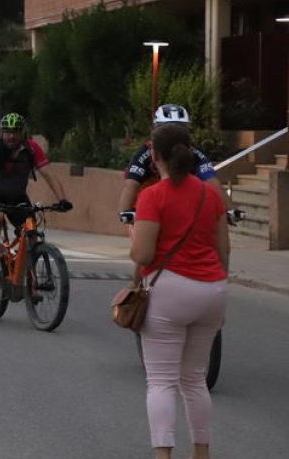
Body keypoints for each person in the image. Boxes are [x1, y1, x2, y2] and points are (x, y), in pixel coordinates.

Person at [130, 122, 228, 459]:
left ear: (154, 156)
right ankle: (201, 453)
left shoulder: (152, 196)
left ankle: (163, 456)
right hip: (212, 289)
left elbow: (143, 254)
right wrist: (221, 293)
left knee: (161, 381)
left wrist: (133, 240)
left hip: (169, 290)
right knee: (195, 380)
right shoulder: (211, 195)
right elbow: (223, 249)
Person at [0, 113, 71, 281]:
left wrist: (62, 199)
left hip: (18, 197)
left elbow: (49, 175)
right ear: (2, 132)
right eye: (7, 132)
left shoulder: (32, 149)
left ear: (23, 132)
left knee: (31, 234)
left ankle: (27, 276)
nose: (11, 136)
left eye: (15, 132)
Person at [119, 104, 229, 217]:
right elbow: (131, 184)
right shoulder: (146, 152)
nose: (173, 135)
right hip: (150, 201)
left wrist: (230, 210)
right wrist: (125, 213)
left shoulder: (194, 152)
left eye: (180, 130)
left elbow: (212, 182)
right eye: (166, 130)